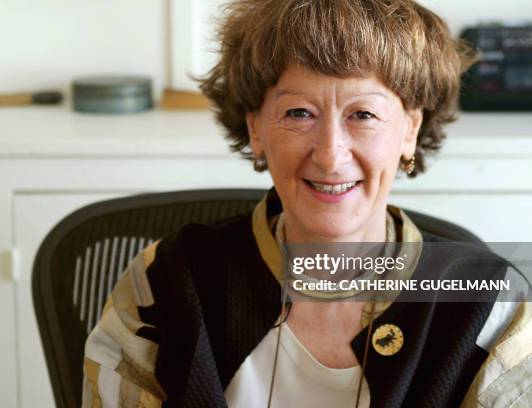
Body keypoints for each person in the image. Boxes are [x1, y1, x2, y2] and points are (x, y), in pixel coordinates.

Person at [82, 1, 531, 407]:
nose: (331, 155)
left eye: (363, 115)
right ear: (256, 128)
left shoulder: (491, 305)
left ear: (409, 131)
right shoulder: (164, 283)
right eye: (299, 113)